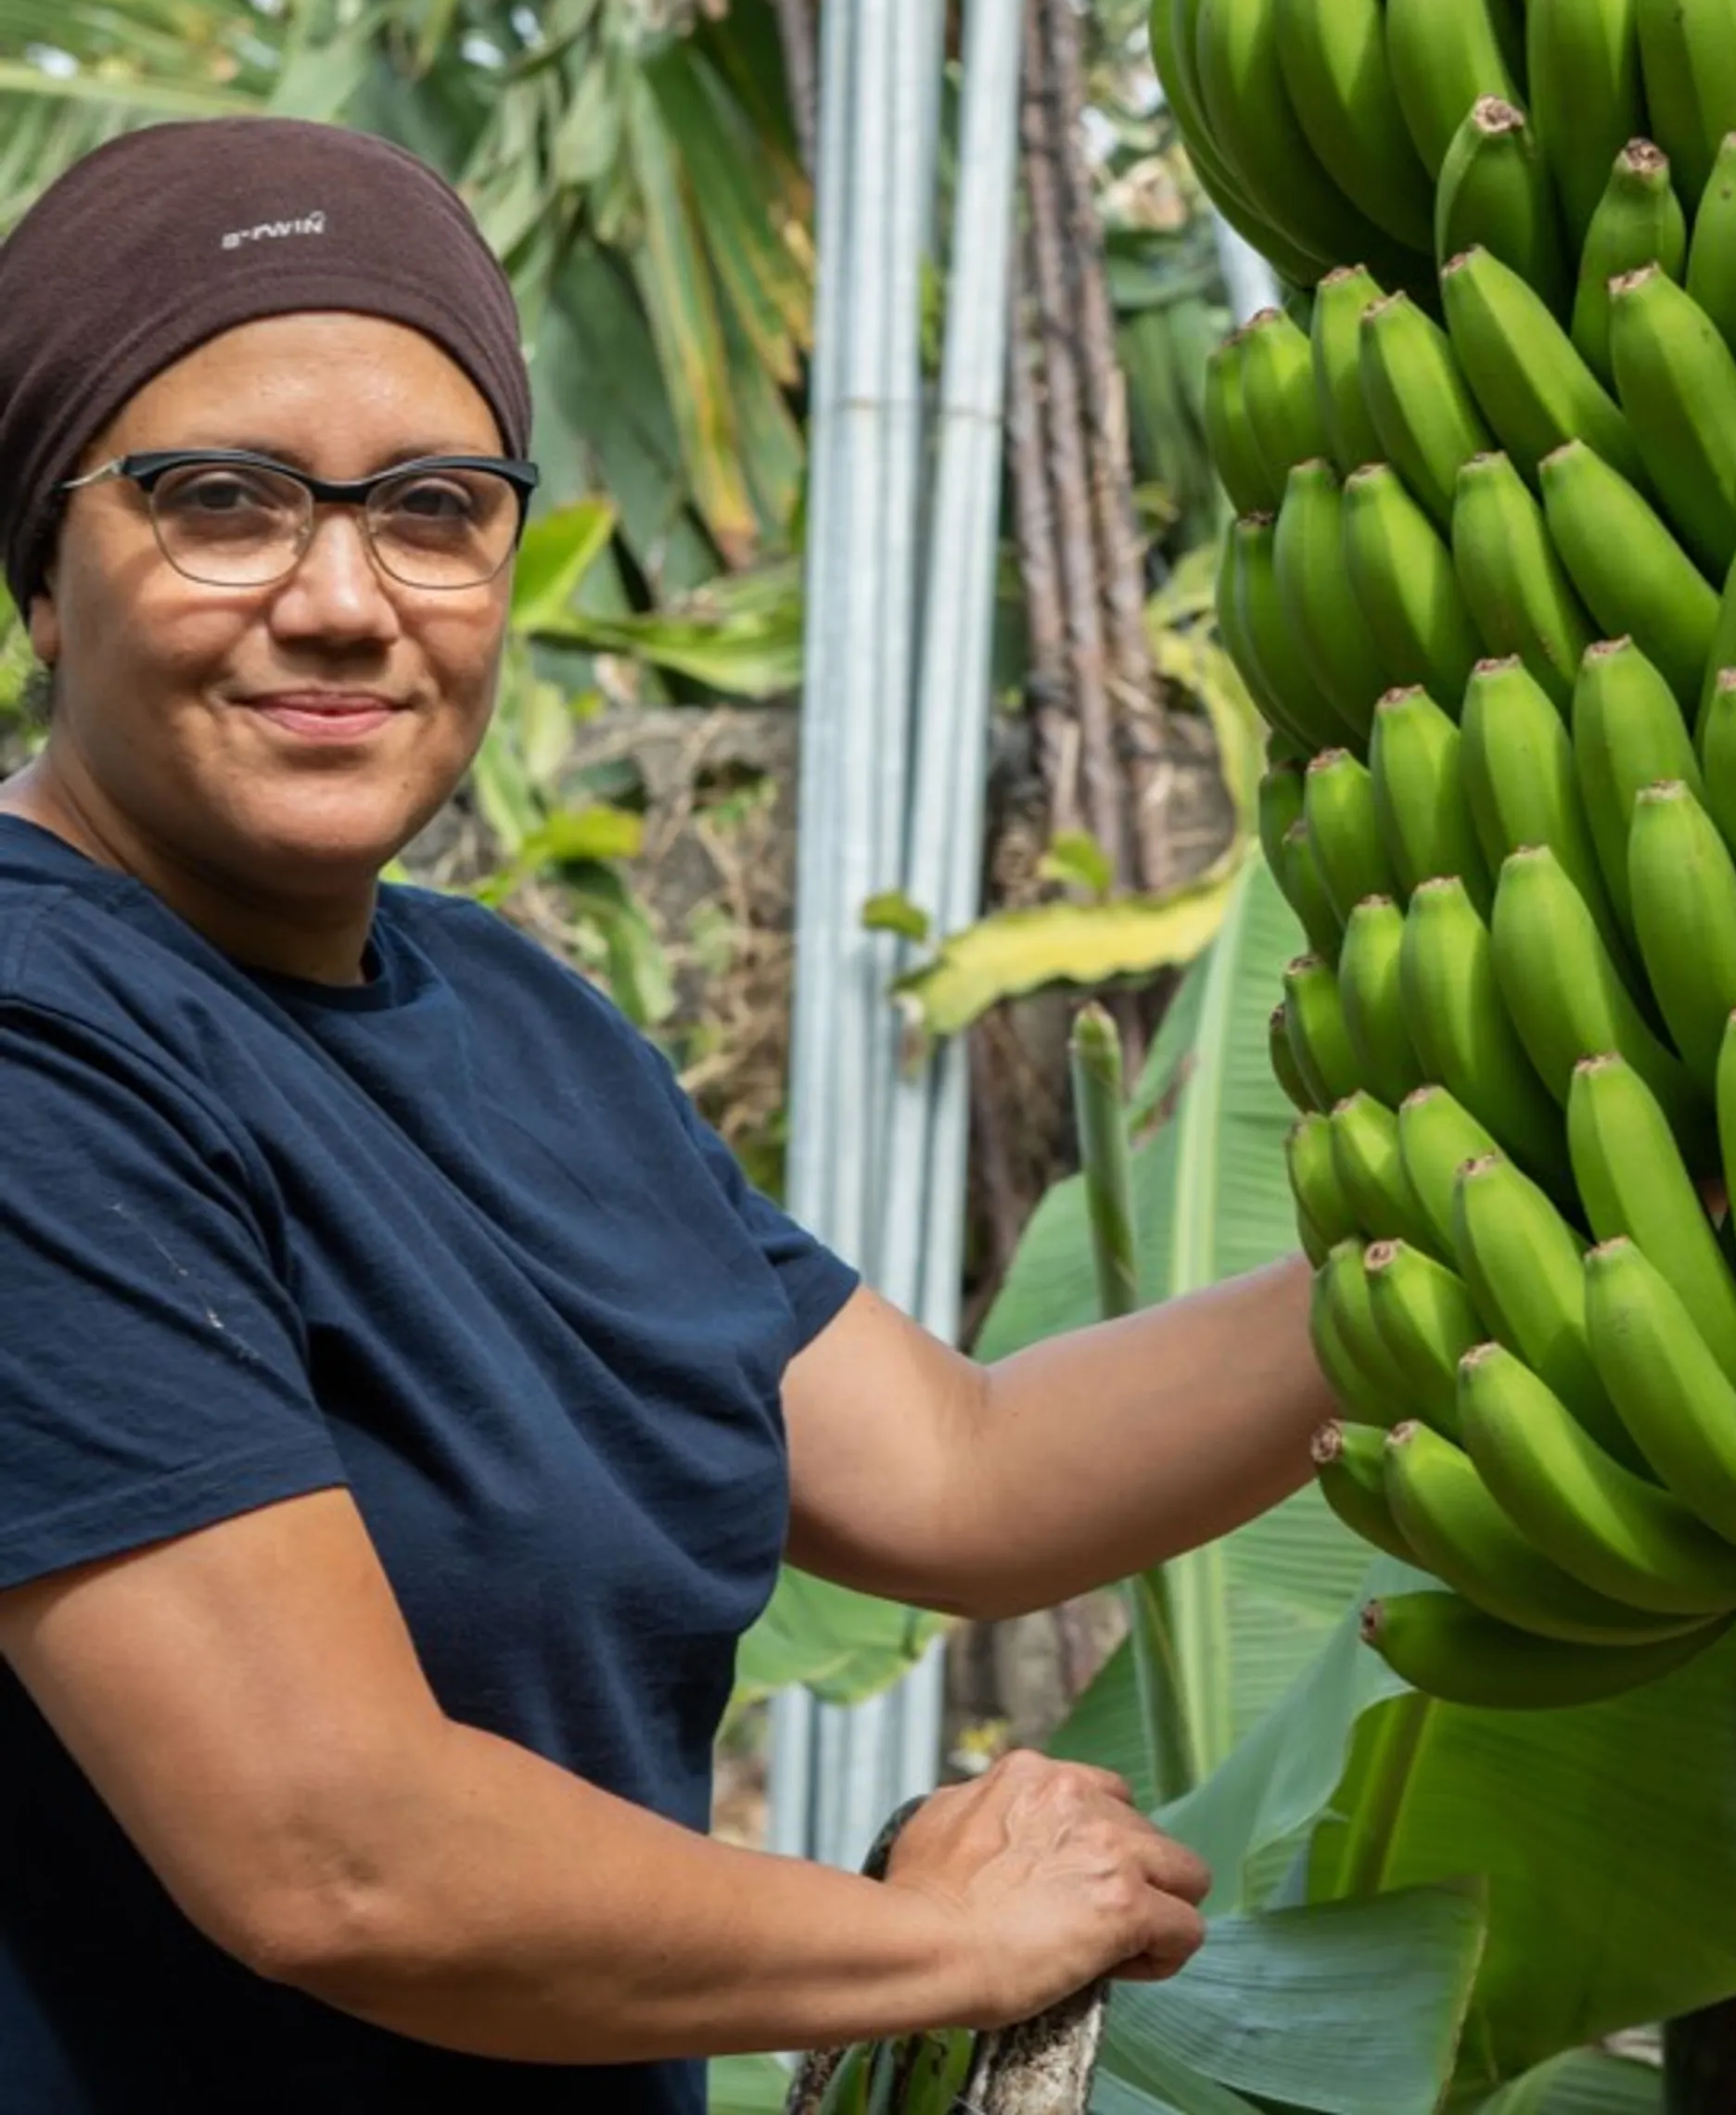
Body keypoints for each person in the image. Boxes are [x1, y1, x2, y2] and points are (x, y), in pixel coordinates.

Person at [0, 118, 1333, 2113]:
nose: (348, 598)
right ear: (39, 569)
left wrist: (1491, 1241)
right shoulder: (43, 1042)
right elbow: (335, 1853)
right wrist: (944, 1942)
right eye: (223, 502)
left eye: (434, 510)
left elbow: (964, 1475)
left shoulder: (517, 1013)